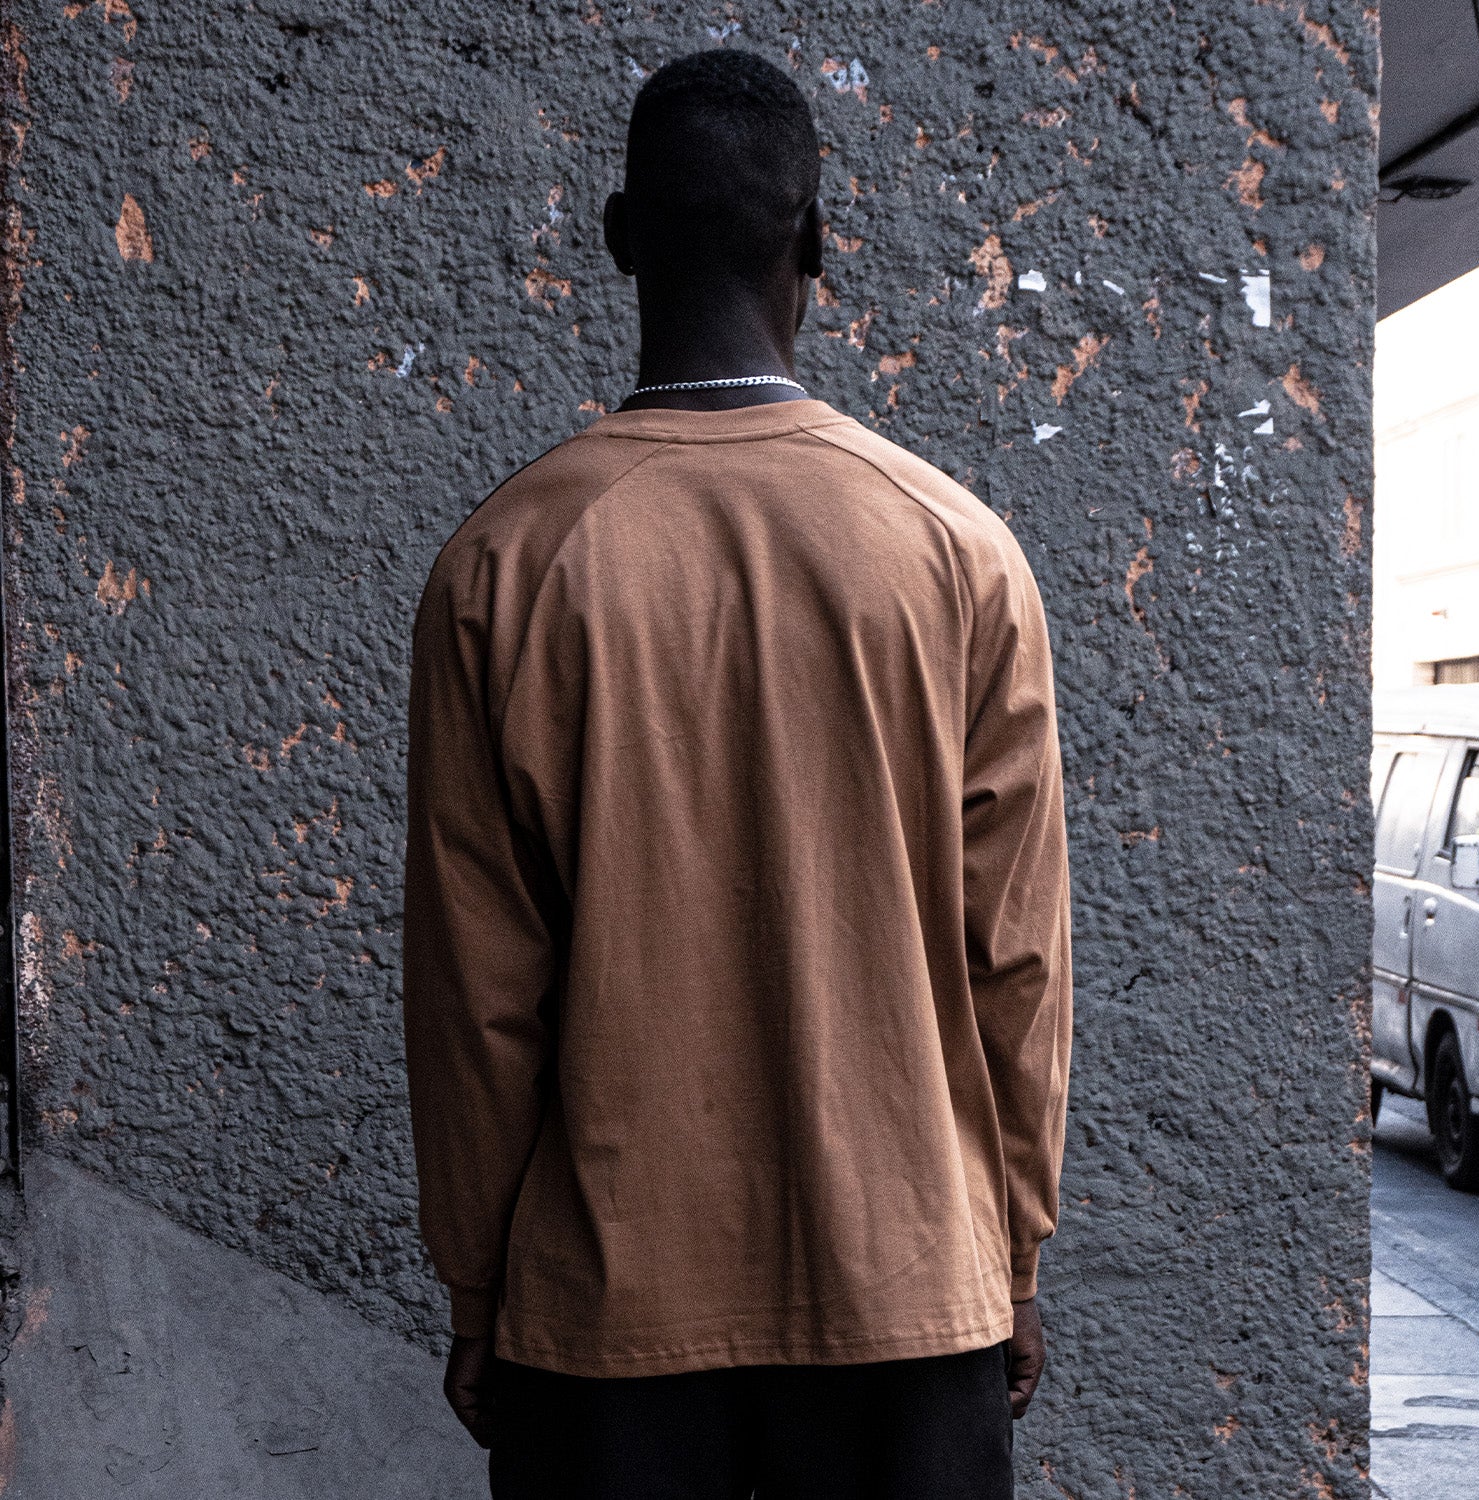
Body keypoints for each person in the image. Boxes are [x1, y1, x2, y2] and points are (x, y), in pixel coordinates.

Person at [402, 47, 1072, 1500]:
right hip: (910, 1294)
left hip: (605, 1318)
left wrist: (478, 1286)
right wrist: (1012, 1253)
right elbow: (1015, 959)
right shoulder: (958, 553)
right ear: (817, 243)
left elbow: (475, 992)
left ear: (618, 238)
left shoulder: (505, 566)